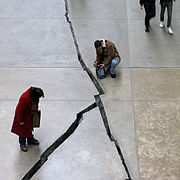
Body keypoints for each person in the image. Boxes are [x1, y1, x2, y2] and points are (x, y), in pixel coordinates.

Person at [11, 87, 44, 152]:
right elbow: (19, 110)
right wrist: (21, 120)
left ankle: (30, 139)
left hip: (29, 115)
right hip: (24, 117)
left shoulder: (34, 92)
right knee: (22, 131)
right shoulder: (24, 98)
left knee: (29, 128)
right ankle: (22, 143)